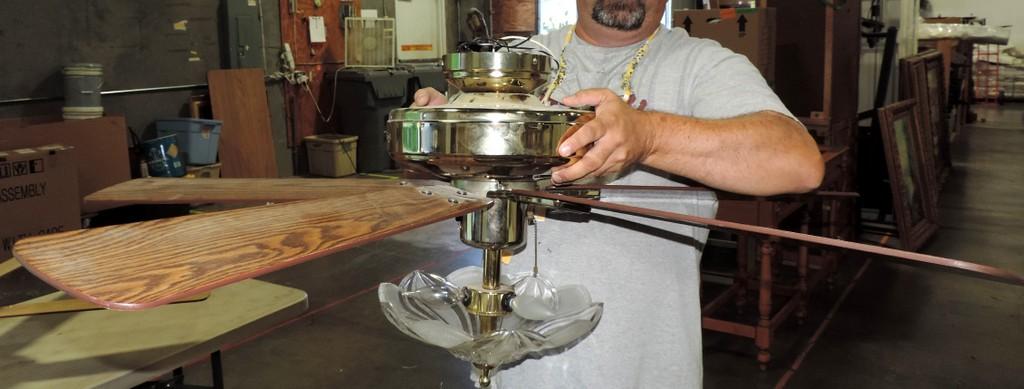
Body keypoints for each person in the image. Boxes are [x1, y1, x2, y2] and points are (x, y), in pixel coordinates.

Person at [413, 1, 823, 387]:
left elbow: (799, 163)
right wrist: (443, 143)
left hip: (639, 362)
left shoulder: (702, 64)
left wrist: (649, 135)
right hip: (509, 360)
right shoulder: (519, 58)